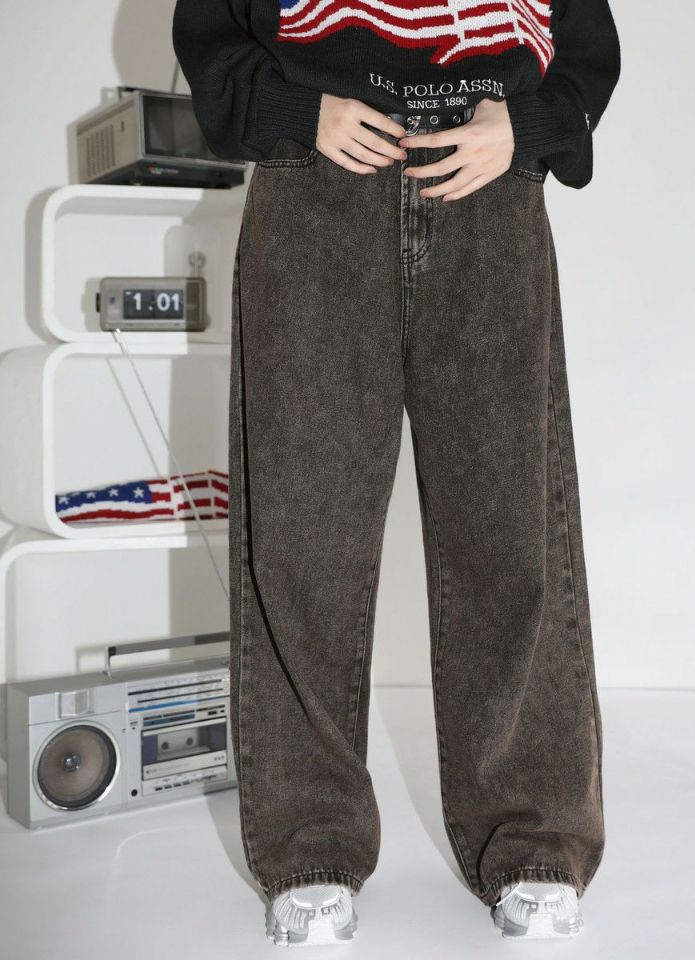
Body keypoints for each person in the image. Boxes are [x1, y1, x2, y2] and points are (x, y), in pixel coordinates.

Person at [173, 0, 621, 945]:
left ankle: (532, 842)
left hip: (487, 188)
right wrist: (299, 111)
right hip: (316, 188)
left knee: (511, 532)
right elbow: (209, 30)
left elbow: (586, 45)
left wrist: (526, 126)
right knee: (303, 539)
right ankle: (309, 848)